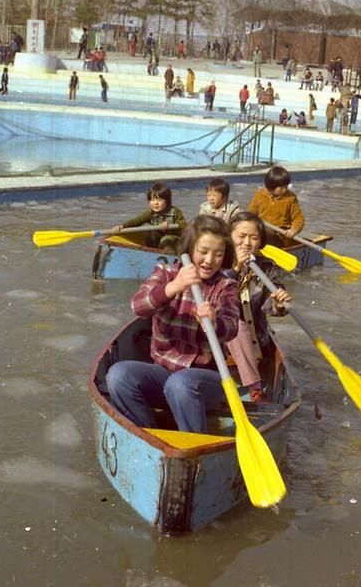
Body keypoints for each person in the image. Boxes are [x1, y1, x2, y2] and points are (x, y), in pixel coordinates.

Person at [106, 215, 239, 434]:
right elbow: (138, 306)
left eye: (218, 254)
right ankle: (150, 437)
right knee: (118, 375)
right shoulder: (166, 273)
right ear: (190, 248)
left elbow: (231, 326)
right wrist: (174, 287)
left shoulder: (225, 286)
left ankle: (193, 444)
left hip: (204, 380)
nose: (209, 260)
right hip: (163, 372)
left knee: (180, 384)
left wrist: (214, 322)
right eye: (203, 251)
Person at [225, 212, 291, 402]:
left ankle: (259, 380)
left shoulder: (266, 267)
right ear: (229, 237)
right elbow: (217, 297)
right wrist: (236, 268)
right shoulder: (218, 261)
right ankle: (254, 388)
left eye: (253, 238)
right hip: (222, 341)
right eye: (241, 236)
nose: (247, 243)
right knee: (236, 326)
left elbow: (269, 306)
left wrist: (279, 304)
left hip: (256, 341)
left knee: (244, 329)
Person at [112, 182, 187, 251]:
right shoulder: (150, 213)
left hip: (173, 239)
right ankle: (151, 253)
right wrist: (122, 226)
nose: (155, 203)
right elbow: (137, 221)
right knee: (150, 234)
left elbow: (184, 227)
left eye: (159, 200)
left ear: (167, 201)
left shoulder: (175, 212)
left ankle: (170, 258)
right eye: (152, 200)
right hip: (159, 237)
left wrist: (170, 226)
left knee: (166, 240)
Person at [247, 166, 305, 247]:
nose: (285, 189)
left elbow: (298, 218)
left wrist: (293, 230)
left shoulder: (290, 198)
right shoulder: (260, 195)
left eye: (286, 186)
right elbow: (251, 214)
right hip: (261, 232)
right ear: (271, 186)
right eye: (281, 187)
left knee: (267, 231)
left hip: (280, 236)